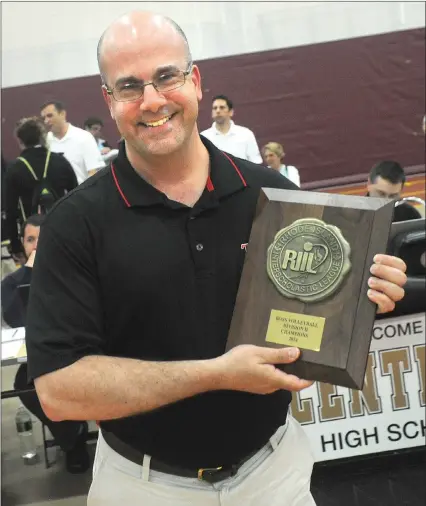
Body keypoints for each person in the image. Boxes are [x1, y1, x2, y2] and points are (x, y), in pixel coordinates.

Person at [25, 11, 407, 505]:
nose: (152, 101)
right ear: (108, 101)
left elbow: (311, 326)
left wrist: (365, 291)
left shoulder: (272, 195)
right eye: (129, 86)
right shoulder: (75, 224)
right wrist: (218, 373)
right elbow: (58, 392)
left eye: (167, 76)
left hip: (276, 475)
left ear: (196, 81)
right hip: (143, 488)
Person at [1, 214, 90, 474]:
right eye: (30, 240)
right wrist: (29, 272)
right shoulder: (11, 282)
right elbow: (15, 318)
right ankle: (72, 437)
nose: (37, 246)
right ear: (23, 244)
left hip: (77, 349)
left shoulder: (73, 272)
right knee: (24, 385)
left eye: (42, 239)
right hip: (39, 354)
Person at [3, 117, 78, 261]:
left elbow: (10, 211)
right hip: (62, 234)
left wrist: (16, 246)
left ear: (20, 141)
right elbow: (77, 198)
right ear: (43, 137)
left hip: (32, 237)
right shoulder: (61, 162)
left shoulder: (14, 169)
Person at [41, 101, 106, 184]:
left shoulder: (84, 137)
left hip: (82, 193)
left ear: (62, 114)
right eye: (43, 118)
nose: (46, 121)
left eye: (50, 116)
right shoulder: (45, 141)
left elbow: (94, 172)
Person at [200, 95, 263, 163]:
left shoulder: (246, 134)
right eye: (215, 108)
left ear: (231, 112)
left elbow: (256, 162)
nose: (218, 111)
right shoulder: (204, 137)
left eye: (222, 107)